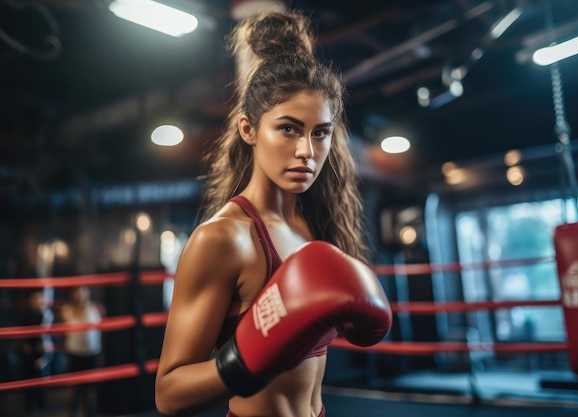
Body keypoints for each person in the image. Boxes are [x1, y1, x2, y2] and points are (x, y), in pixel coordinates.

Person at [155, 9, 392, 417]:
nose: (307, 151)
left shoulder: (318, 223)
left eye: (320, 132)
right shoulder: (223, 239)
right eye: (288, 128)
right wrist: (245, 362)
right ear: (249, 130)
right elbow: (169, 394)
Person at [60, 285, 105, 417]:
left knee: (90, 392)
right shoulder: (66, 310)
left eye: (83, 290)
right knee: (73, 390)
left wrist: (103, 352)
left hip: (92, 354)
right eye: (77, 291)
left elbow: (103, 333)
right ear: (73, 293)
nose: (81, 293)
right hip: (73, 354)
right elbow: (62, 334)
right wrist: (63, 355)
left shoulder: (97, 308)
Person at [19, 289, 55, 416]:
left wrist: (46, 345)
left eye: (40, 299)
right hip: (29, 351)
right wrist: (24, 344)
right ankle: (30, 406)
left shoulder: (47, 315)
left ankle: (42, 405)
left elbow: (54, 333)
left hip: (43, 351)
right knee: (28, 379)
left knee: (42, 379)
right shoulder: (26, 314)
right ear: (30, 301)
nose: (37, 302)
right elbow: (21, 332)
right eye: (35, 299)